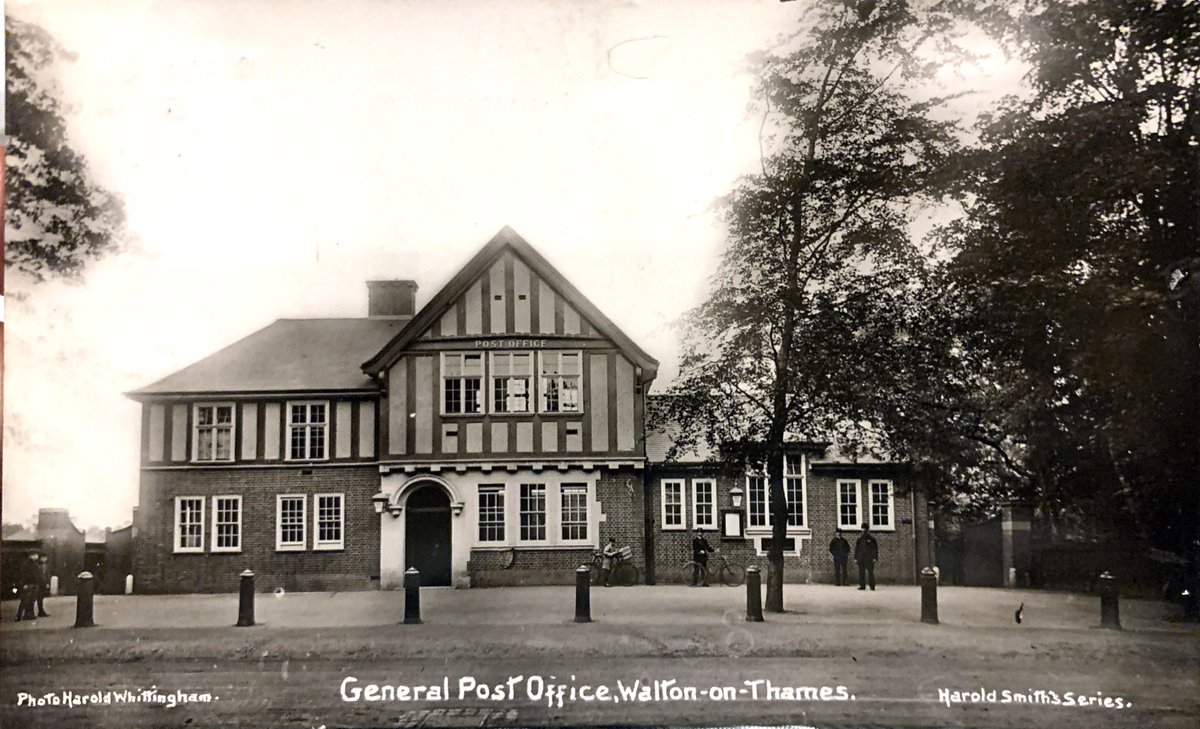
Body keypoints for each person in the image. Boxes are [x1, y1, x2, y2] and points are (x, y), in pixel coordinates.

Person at [16, 553, 41, 621]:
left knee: (31, 600)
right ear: (31, 556)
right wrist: (24, 583)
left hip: (32, 583)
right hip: (29, 583)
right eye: (35, 555)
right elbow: (24, 574)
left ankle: (29, 614)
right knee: (25, 600)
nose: (36, 556)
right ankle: (20, 616)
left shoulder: (32, 564)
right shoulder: (28, 564)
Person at [855, 523, 879, 591]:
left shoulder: (872, 539)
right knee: (861, 572)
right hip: (861, 557)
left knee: (870, 572)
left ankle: (872, 585)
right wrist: (856, 558)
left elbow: (875, 549)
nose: (863, 530)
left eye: (865, 528)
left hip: (869, 558)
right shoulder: (859, 539)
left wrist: (875, 557)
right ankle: (862, 585)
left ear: (867, 529)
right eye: (862, 528)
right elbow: (857, 549)